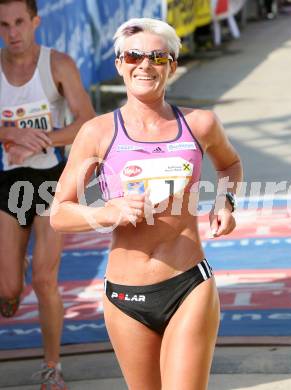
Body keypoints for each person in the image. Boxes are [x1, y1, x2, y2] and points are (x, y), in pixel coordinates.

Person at [50, 17, 243, 390]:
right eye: (134, 55)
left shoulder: (200, 124)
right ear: (119, 64)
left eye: (157, 56)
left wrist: (225, 202)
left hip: (188, 284)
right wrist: (107, 212)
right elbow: (59, 212)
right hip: (126, 295)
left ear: (171, 65)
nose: (145, 65)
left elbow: (230, 165)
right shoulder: (98, 132)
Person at [0, 0, 95, 388]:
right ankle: (12, 273)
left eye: (19, 22)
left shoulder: (57, 64)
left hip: (50, 179)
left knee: (44, 279)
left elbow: (87, 120)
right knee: (8, 294)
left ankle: (52, 366)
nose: (12, 32)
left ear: (35, 21)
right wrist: (9, 134)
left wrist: (41, 141)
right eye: (3, 25)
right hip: (8, 183)